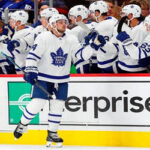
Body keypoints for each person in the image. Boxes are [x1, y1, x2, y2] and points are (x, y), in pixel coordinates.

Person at [13, 14, 98, 147]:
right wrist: (30, 69)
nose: (64, 24)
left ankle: (52, 132)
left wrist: (93, 46)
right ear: (52, 25)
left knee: (58, 106)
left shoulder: (71, 38)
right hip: (44, 77)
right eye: (60, 22)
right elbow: (33, 56)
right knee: (37, 103)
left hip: (62, 78)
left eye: (64, 22)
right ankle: (22, 124)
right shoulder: (44, 37)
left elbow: (80, 55)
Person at [68, 5, 100, 73]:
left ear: (79, 17)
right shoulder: (97, 25)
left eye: (72, 16)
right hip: (100, 61)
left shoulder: (74, 31)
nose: (70, 19)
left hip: (83, 63)